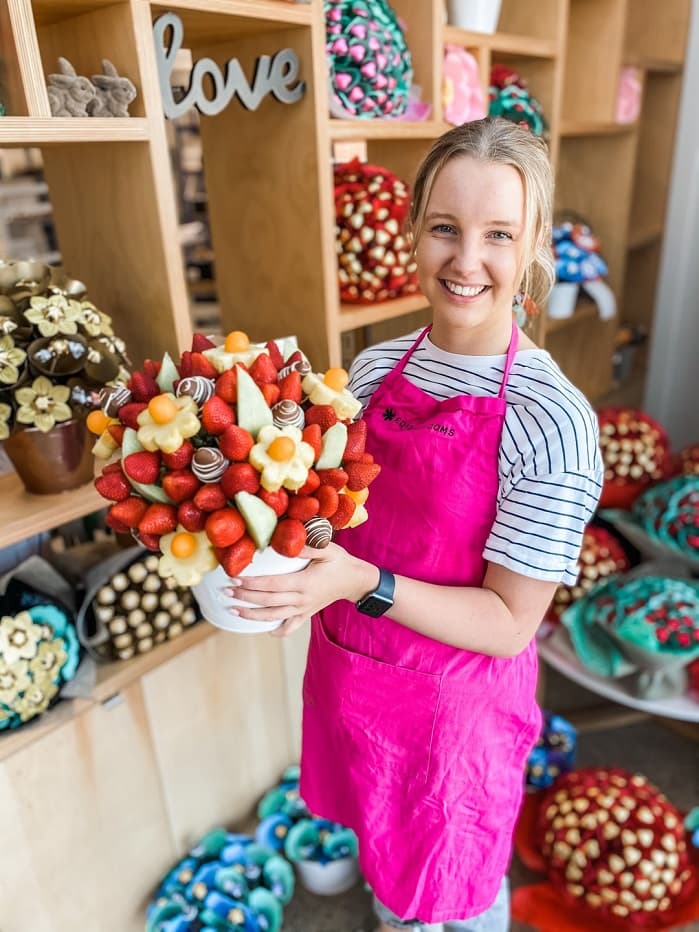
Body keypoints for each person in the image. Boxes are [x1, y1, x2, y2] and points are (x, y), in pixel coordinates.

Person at [226, 117, 604, 931]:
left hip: (452, 726)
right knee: (385, 875)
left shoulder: (550, 418)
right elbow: (341, 520)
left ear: (532, 244)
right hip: (357, 682)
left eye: (497, 234)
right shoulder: (370, 368)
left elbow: (507, 625)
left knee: (449, 900)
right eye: (444, 228)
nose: (466, 261)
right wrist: (262, 534)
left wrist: (357, 582)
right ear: (412, 233)